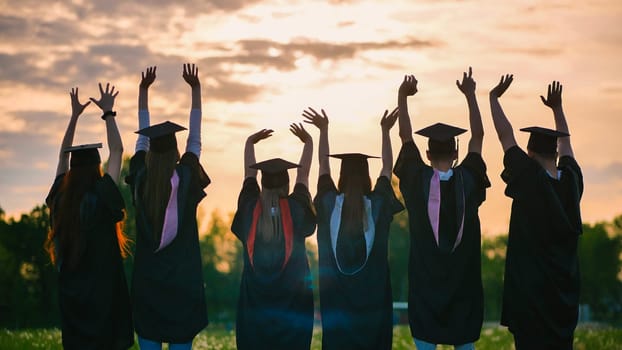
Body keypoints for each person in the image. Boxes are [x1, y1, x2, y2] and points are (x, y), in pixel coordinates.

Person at [393, 68, 490, 350]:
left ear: (427, 154)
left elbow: (405, 137)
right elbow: (479, 136)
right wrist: (471, 95)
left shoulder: (416, 180)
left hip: (426, 292)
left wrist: (403, 96)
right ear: (457, 153)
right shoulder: (469, 181)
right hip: (464, 292)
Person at [489, 76, 583, 350]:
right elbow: (567, 149)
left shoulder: (529, 178)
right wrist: (557, 109)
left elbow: (505, 136)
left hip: (530, 299)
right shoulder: (571, 181)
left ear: (529, 152)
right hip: (563, 300)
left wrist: (493, 99)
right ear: (554, 153)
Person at [303, 107, 404, 350]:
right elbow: (387, 170)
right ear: (366, 177)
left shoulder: (329, 205)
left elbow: (323, 167)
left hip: (337, 313)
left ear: (342, 176)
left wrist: (323, 131)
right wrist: (385, 131)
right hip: (372, 313)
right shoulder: (377, 206)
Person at [126, 64, 210, 349]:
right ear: (176, 151)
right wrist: (196, 91)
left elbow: (141, 142)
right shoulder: (185, 177)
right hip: (182, 286)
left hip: (148, 286)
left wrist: (142, 92)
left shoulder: (139, 178)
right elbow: (195, 141)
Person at [45, 84, 133, 349]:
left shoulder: (60, 199)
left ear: (72, 171)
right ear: (97, 167)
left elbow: (62, 157)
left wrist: (74, 117)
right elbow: (117, 152)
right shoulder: (103, 195)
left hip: (73, 303)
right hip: (104, 302)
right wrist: (108, 113)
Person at [231, 124, 316, 350]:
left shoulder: (249, 208)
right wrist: (308, 142)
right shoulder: (297, 209)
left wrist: (250, 142)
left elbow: (249, 175)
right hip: (293, 316)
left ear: (261, 183)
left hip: (255, 317)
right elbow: (303, 175)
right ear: (287, 184)